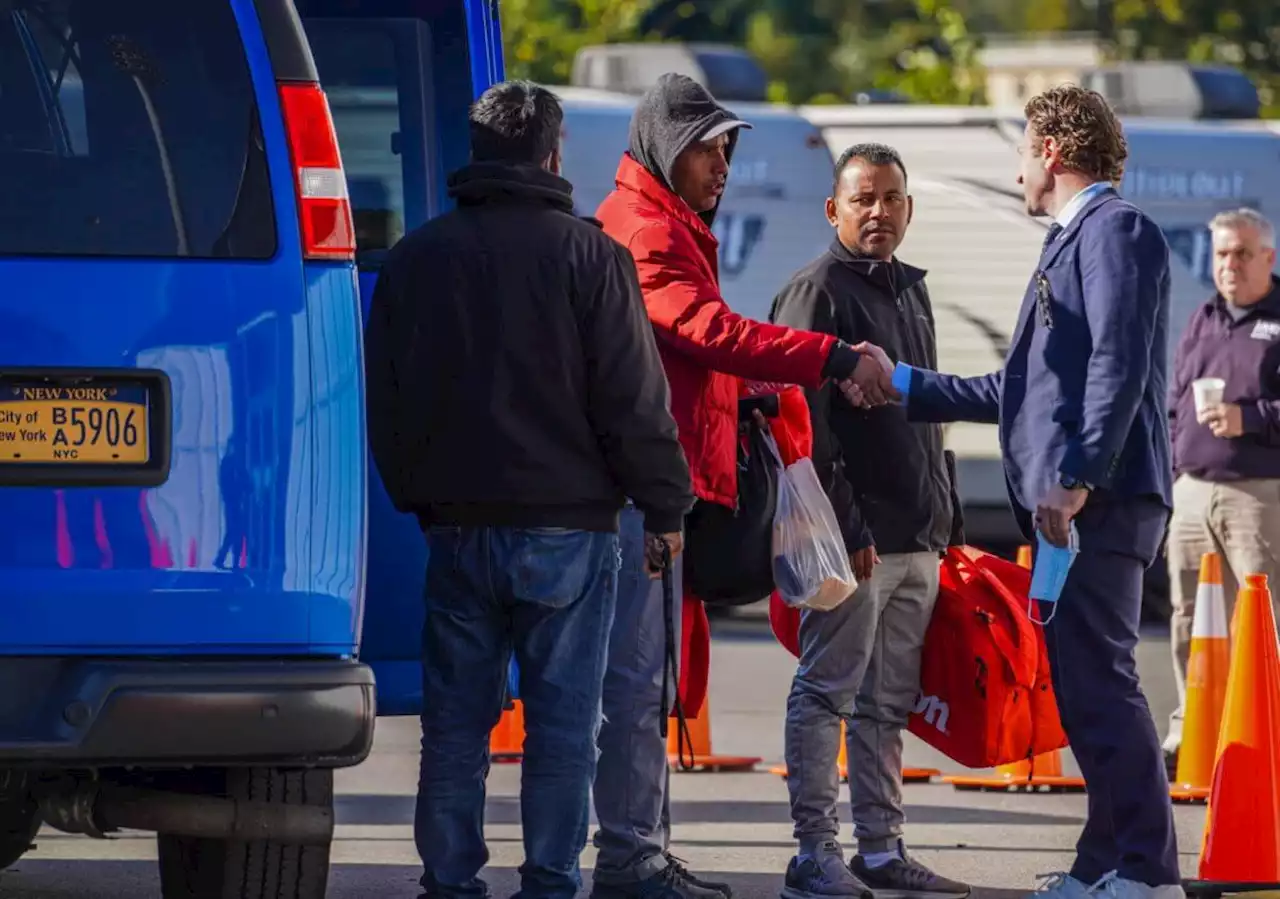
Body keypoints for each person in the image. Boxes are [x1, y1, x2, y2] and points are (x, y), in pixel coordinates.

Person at [363, 80, 696, 899]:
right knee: (562, 730)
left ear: (477, 153)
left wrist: (419, 496)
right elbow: (632, 399)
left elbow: (387, 393)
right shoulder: (592, 257)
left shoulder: (416, 257)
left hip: (458, 528)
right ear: (552, 155)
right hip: (571, 533)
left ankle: (449, 883)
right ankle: (549, 882)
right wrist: (664, 505)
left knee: (454, 731)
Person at [877, 84, 1184, 899]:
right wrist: (901, 383)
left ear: (1051, 149)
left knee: (1103, 685)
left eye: (1020, 149)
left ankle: (1148, 872)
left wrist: (1076, 476)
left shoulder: (1115, 231)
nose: (1016, 168)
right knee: (1085, 690)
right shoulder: (1071, 240)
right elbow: (1018, 387)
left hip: (1102, 502)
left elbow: (1117, 365)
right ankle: (1101, 863)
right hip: (1075, 508)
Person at [590, 72, 888, 899]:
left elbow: (686, 358)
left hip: (660, 485)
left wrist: (752, 393)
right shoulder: (645, 229)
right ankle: (630, 860)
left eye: (727, 150)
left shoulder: (667, 219)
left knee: (652, 685)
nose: (723, 167)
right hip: (642, 492)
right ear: (667, 149)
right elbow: (706, 330)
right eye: (710, 150)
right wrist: (825, 357)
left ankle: (641, 851)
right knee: (638, 686)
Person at [768, 143, 969, 899]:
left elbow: (926, 415)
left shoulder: (911, 292)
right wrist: (849, 528)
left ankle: (881, 850)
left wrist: (943, 517)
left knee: (888, 704)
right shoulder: (815, 292)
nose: (878, 211)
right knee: (826, 692)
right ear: (834, 209)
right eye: (863, 199)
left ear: (908, 209)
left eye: (891, 198)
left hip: (918, 538)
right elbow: (801, 429)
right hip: (854, 543)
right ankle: (812, 852)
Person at [1163, 207, 1280, 771]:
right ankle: (1196, 728)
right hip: (1192, 491)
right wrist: (1171, 469)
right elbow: (1174, 400)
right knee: (1191, 616)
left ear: (1268, 258)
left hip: (1258, 493)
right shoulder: (1203, 317)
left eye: (1240, 253)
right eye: (1220, 254)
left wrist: (1249, 419)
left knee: (1263, 615)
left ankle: (1266, 733)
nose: (1229, 264)